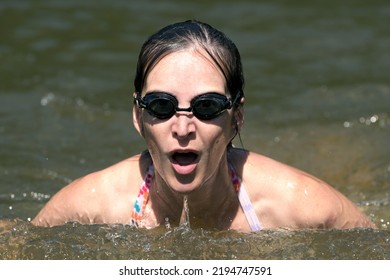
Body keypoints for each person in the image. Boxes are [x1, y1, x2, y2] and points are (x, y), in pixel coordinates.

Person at [32, 20, 376, 232]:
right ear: (138, 116)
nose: (183, 127)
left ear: (236, 117)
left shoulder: (306, 207)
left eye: (207, 106)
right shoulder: (88, 205)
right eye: (161, 106)